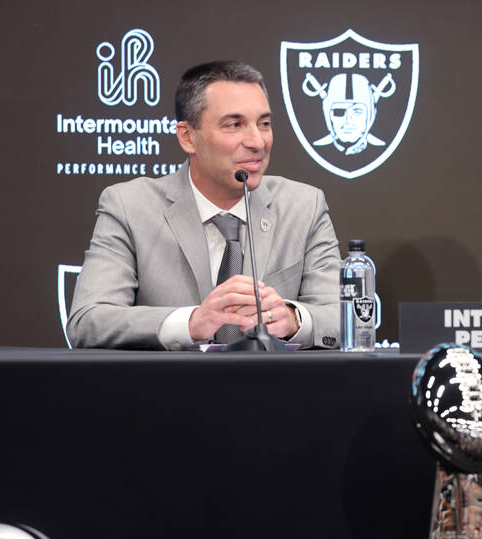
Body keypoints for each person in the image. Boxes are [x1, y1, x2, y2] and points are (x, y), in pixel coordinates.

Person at [67, 61, 341, 349]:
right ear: (188, 137)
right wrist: (192, 322)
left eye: (264, 124)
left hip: (273, 390)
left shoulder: (303, 206)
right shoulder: (130, 206)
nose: (257, 141)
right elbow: (88, 320)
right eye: (234, 125)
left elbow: (347, 317)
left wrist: (294, 318)